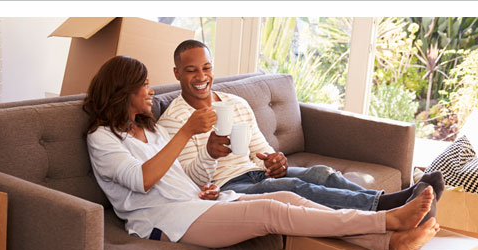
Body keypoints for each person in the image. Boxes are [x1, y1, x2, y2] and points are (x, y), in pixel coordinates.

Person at [84, 55, 440, 250]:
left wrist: (206, 173)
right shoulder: (102, 138)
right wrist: (187, 133)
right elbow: (142, 180)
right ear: (122, 91)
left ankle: (390, 244)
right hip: (164, 221)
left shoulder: (150, 129)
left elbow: (179, 174)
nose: (150, 91)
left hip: (195, 203)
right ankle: (385, 221)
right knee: (272, 211)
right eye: (144, 85)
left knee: (287, 197)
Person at [157, 40, 444, 217]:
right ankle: (389, 206)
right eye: (191, 70)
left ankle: (391, 201)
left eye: (206, 68)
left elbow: (260, 149)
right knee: (294, 186)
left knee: (320, 173)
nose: (201, 77)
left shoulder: (235, 103)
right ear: (177, 74)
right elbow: (188, 180)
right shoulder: (173, 120)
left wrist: (275, 160)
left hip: (253, 173)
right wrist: (209, 154)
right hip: (227, 188)